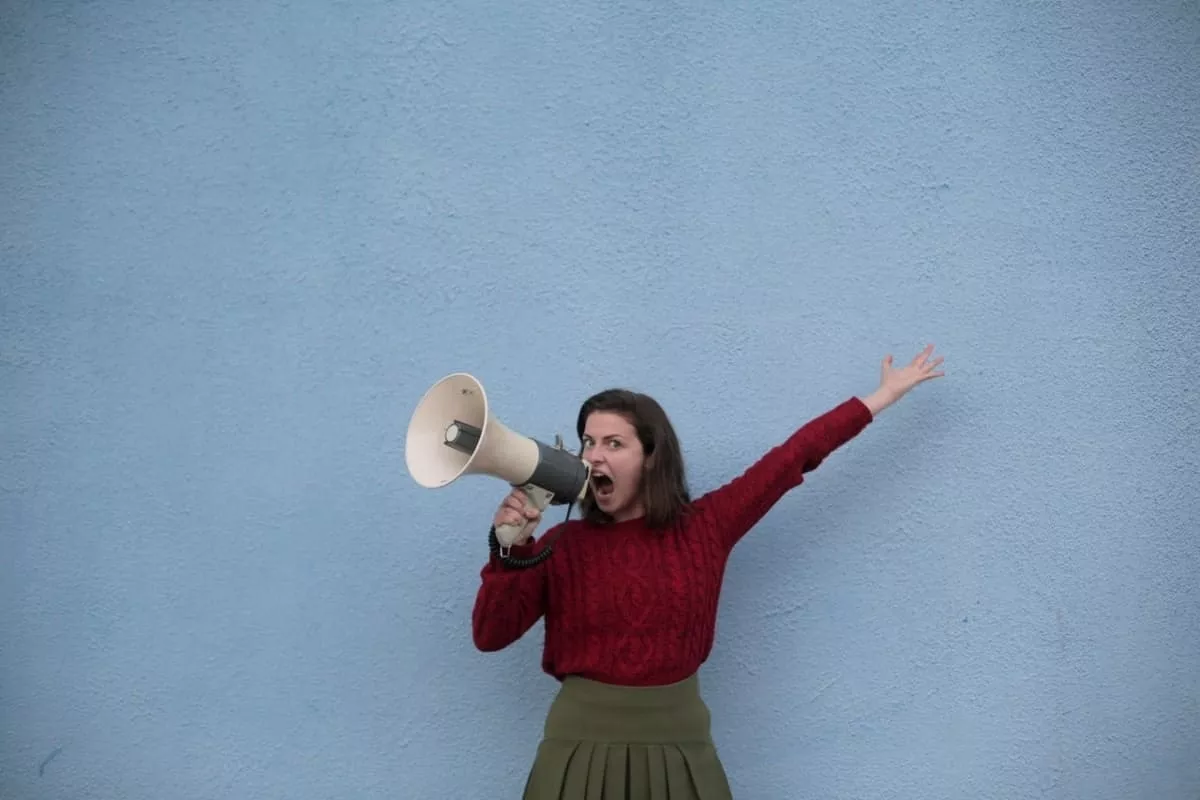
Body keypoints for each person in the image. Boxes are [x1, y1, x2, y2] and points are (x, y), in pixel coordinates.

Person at [472, 345, 946, 799]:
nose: (594, 455)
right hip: (576, 747)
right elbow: (490, 635)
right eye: (588, 442)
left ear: (651, 455)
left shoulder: (705, 528)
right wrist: (509, 550)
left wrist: (881, 397)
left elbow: (793, 457)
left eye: (614, 443)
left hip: (680, 746)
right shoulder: (558, 546)